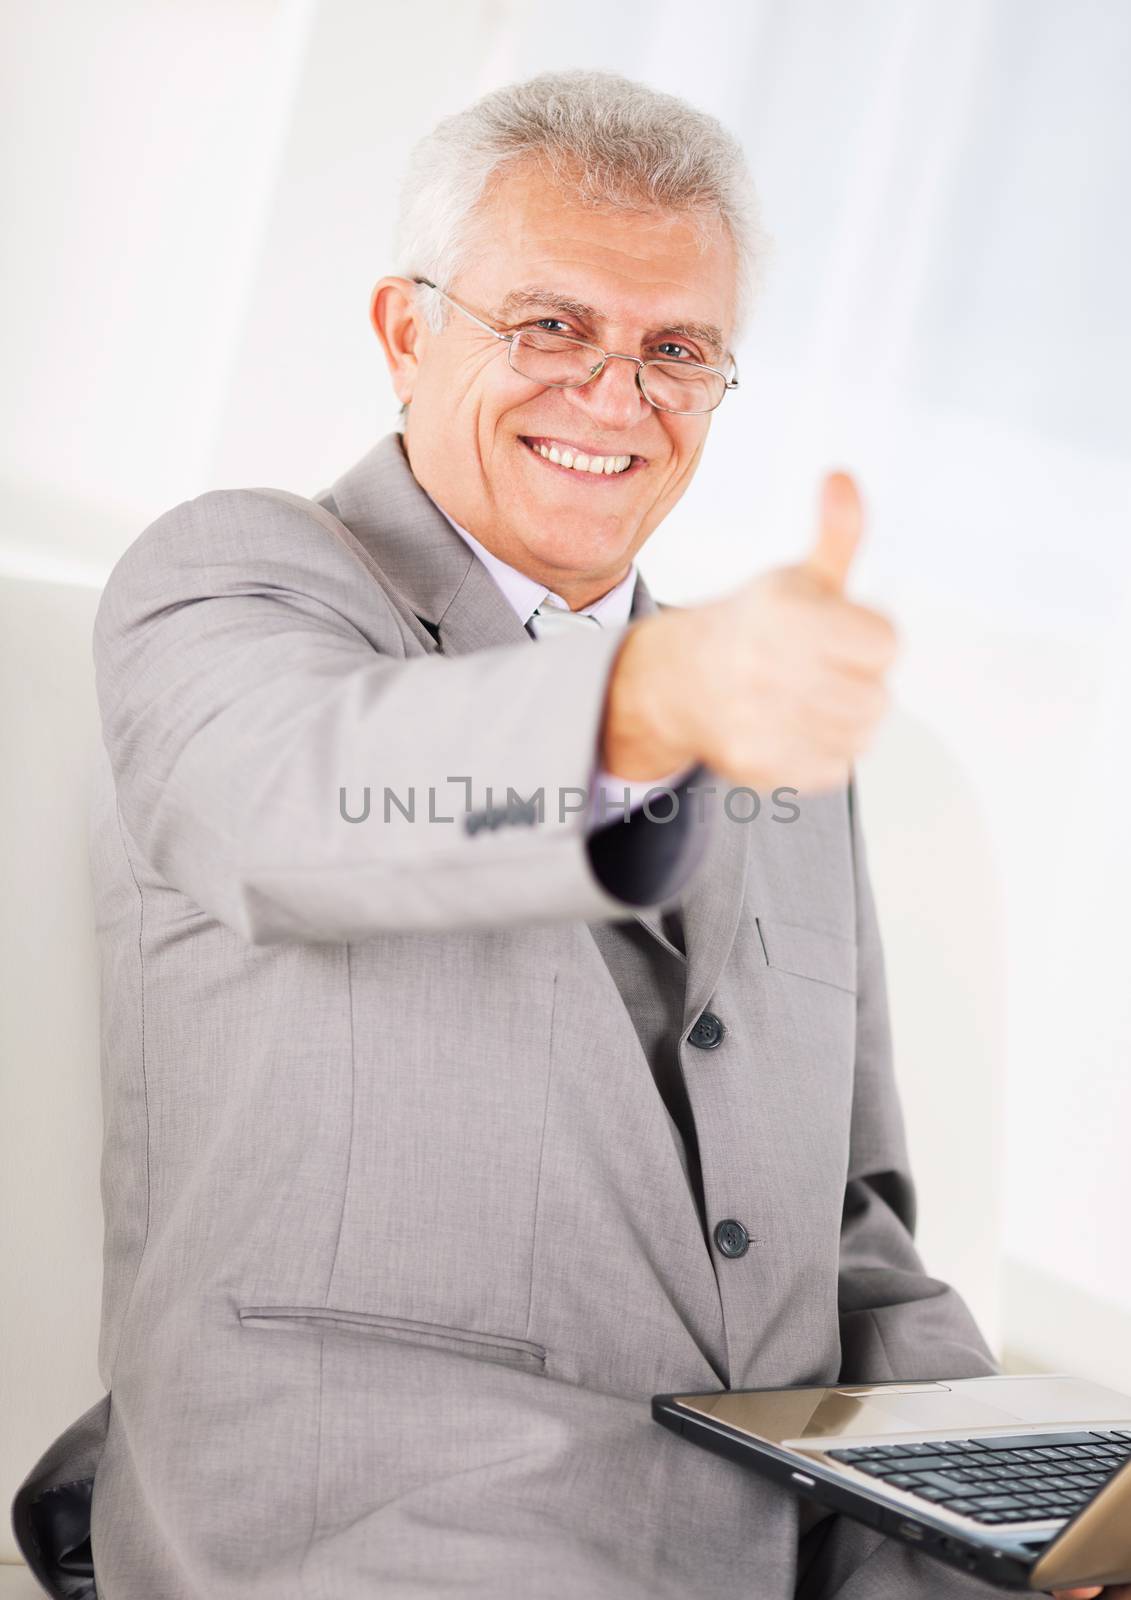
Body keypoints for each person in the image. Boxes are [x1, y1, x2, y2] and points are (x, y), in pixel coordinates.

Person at [12, 68, 1116, 1600]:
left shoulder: (773, 734)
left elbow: (848, 1242)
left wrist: (1022, 1543)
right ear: (409, 332)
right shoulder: (241, 582)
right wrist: (652, 698)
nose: (617, 396)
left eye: (678, 350)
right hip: (369, 1544)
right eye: (551, 326)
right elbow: (294, 800)